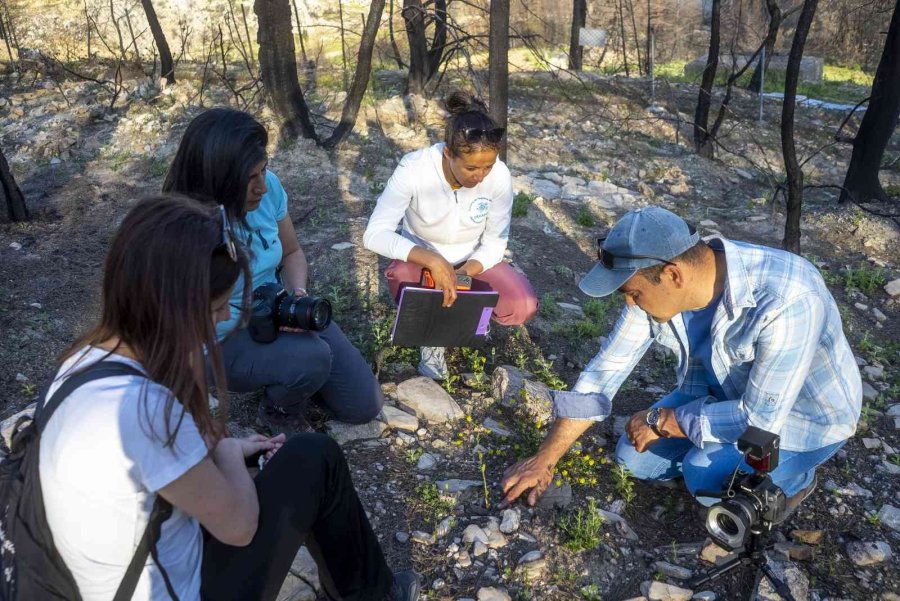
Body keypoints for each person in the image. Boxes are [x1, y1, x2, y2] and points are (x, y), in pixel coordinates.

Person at [39, 195, 418, 601]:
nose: (223, 318)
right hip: (172, 588)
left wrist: (229, 445)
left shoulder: (82, 362)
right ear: (175, 307)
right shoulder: (149, 411)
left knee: (308, 455)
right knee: (315, 462)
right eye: (218, 306)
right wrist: (228, 455)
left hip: (107, 573)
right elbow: (239, 527)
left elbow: (156, 468)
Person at [500, 206, 862, 517]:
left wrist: (669, 420)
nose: (629, 304)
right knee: (632, 459)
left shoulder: (788, 298)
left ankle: (798, 477)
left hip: (801, 421)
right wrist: (544, 459)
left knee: (701, 474)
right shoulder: (658, 289)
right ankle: (711, 447)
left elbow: (760, 422)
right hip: (720, 395)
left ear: (673, 274)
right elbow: (603, 371)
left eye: (633, 293)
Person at [163, 108, 383, 434]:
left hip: (275, 306)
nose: (262, 187)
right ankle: (278, 412)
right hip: (221, 335)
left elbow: (292, 252)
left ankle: (290, 372)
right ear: (218, 176)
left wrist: (296, 296)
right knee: (312, 357)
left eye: (263, 171)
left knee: (363, 404)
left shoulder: (269, 190)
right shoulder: (186, 225)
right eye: (250, 178)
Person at [363, 91, 538, 380]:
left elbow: (495, 241)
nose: (480, 176)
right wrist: (432, 260)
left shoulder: (499, 177)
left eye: (488, 166)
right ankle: (431, 338)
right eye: (471, 167)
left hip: (473, 259)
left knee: (522, 305)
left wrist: (466, 273)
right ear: (448, 153)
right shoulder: (415, 169)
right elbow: (374, 234)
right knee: (401, 274)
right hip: (422, 258)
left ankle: (467, 321)